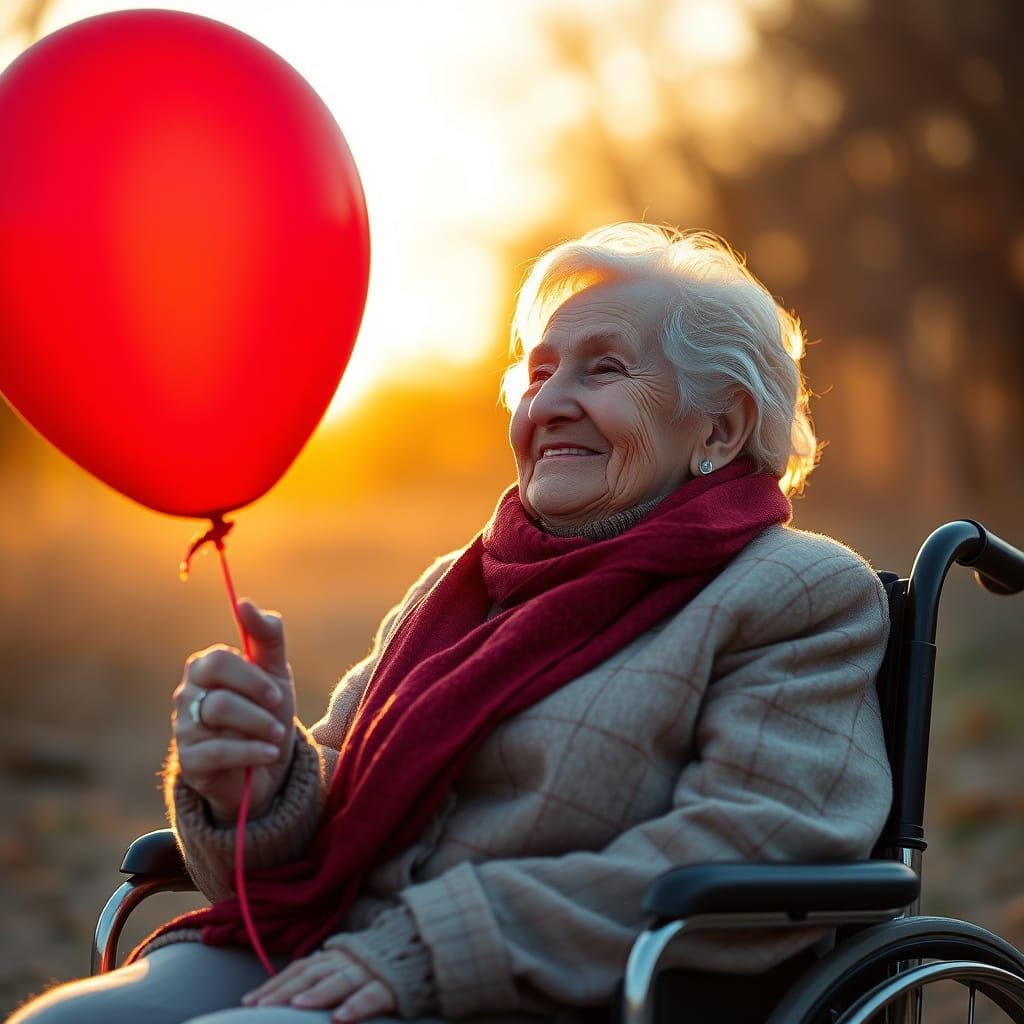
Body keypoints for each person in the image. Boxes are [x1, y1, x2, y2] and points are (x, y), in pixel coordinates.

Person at [11, 224, 892, 1024]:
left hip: (554, 992)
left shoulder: (795, 590)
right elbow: (340, 797)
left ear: (722, 429)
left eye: (604, 370)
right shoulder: (462, 583)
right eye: (539, 373)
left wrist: (432, 946)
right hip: (335, 943)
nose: (549, 404)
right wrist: (259, 782)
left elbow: (757, 844)